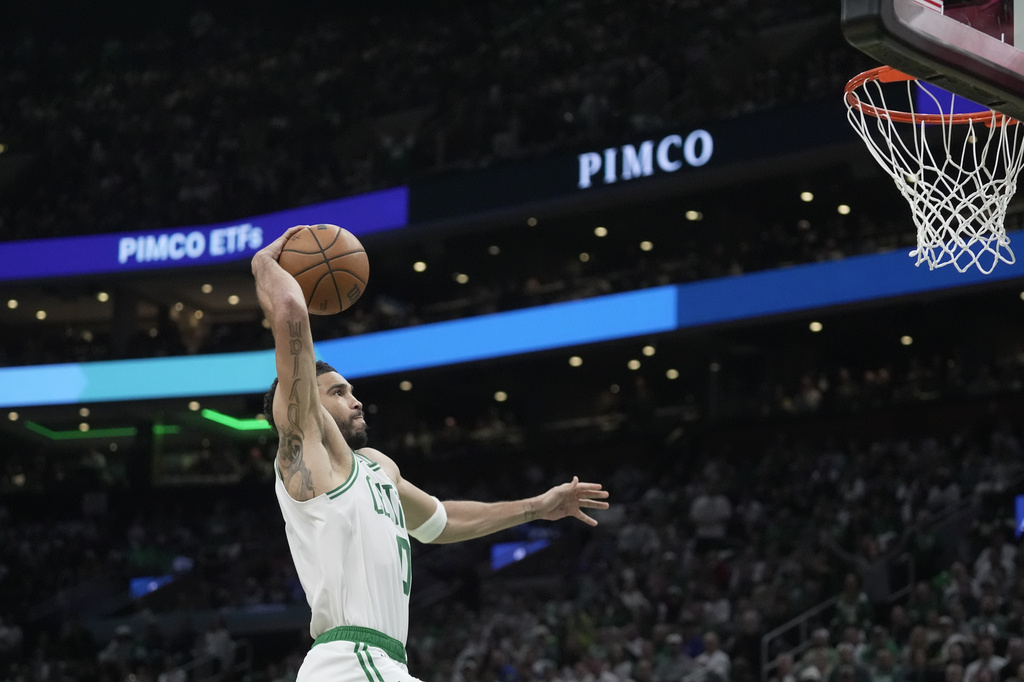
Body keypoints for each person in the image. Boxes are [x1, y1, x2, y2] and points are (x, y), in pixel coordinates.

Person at [251, 226, 611, 682]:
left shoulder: (378, 467)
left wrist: (536, 508)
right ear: (305, 406)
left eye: (353, 390)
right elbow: (289, 311)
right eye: (339, 392)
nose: (356, 400)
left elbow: (439, 522)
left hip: (380, 663)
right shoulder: (306, 456)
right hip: (350, 662)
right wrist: (263, 263)